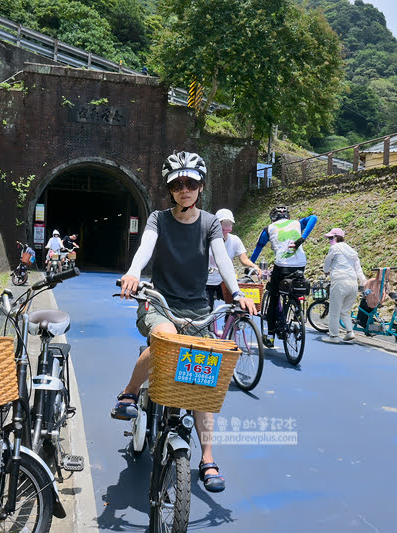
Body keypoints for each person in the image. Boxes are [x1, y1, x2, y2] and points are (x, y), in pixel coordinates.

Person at [114, 151, 257, 493]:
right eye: (177, 184)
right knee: (164, 341)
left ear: (201, 187)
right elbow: (146, 247)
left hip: (196, 308)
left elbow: (221, 257)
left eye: (190, 183)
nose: (184, 189)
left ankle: (207, 458)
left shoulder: (209, 224)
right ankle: (130, 394)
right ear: (170, 190)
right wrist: (134, 273)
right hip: (160, 302)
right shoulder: (158, 219)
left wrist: (237, 292)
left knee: (203, 386)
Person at [249, 205, 317, 344]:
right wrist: (301, 239)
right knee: (294, 289)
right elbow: (314, 218)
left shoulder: (268, 229)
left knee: (274, 296)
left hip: (282, 266)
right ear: (288, 216)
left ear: (272, 218)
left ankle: (270, 335)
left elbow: (257, 250)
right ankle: (297, 310)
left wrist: (250, 266)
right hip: (300, 264)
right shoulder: (297, 223)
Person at [205, 208, 262, 309]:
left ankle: (230, 323)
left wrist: (254, 266)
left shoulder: (234, 240)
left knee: (236, 306)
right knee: (206, 310)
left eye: (228, 223)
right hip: (207, 281)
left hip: (224, 281)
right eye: (222, 223)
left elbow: (244, 259)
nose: (226, 226)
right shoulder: (207, 239)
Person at [321, 228, 367, 343]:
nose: (329, 240)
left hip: (340, 281)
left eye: (331, 238)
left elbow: (327, 263)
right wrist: (363, 282)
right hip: (353, 283)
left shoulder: (334, 248)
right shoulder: (352, 251)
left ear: (336, 237)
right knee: (344, 310)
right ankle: (350, 332)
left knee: (334, 310)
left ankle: (334, 336)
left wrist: (326, 270)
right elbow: (358, 269)